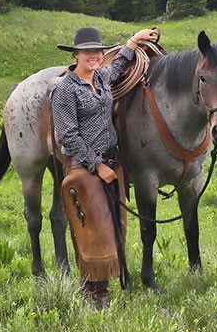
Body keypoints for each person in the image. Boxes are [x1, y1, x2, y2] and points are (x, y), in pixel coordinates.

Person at [51, 26, 157, 305]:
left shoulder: (102, 77)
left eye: (96, 51)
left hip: (110, 164)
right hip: (85, 169)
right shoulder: (65, 90)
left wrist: (135, 40)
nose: (93, 55)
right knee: (92, 233)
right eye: (87, 51)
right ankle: (90, 294)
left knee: (111, 229)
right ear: (76, 55)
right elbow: (68, 136)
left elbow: (120, 61)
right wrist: (97, 166)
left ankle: (102, 292)